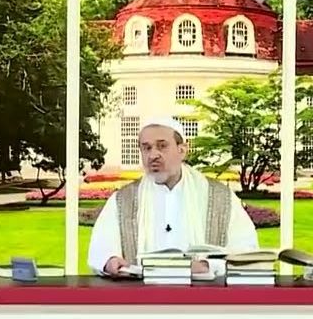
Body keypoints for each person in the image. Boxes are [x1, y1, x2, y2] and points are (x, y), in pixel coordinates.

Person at [87, 117, 259, 276]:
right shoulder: (123, 200)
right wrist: (110, 262)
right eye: (146, 148)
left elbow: (246, 252)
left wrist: (208, 266)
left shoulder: (220, 198)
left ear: (182, 150)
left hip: (203, 295)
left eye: (162, 146)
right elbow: (102, 249)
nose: (153, 155)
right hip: (141, 295)